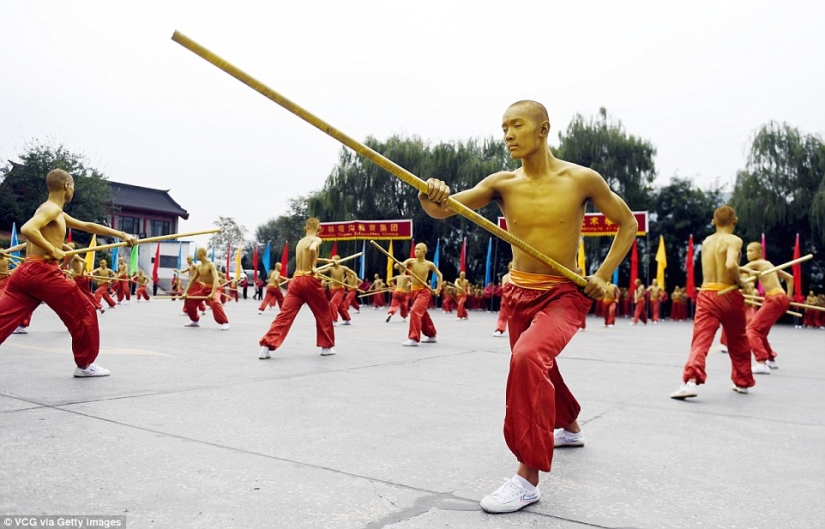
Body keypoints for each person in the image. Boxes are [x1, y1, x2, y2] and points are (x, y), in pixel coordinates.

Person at [418, 100, 636, 513]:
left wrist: (603, 276)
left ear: (543, 129)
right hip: (518, 293)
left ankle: (527, 477)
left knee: (528, 357)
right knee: (538, 365)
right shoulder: (503, 183)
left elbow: (627, 224)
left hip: (564, 293)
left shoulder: (580, 179)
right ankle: (569, 423)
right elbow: (442, 209)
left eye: (517, 125)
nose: (508, 135)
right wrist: (432, 194)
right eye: (504, 128)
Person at [0, 168, 136, 376]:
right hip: (43, 272)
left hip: (25, 272)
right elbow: (28, 229)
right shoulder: (51, 209)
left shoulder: (55, 211)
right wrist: (53, 249)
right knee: (84, 312)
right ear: (66, 186)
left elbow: (88, 225)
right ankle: (85, 365)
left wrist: (121, 234)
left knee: (3, 316)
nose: (73, 190)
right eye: (73, 186)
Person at [670, 206, 755, 400]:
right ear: (735, 221)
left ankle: (690, 381)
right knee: (738, 339)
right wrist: (741, 282)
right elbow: (731, 265)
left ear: (713, 221)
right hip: (729, 294)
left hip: (708, 293)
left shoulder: (707, 241)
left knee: (701, 339)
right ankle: (742, 382)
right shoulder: (734, 240)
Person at [258, 218, 335, 358]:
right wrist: (312, 267)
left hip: (296, 280)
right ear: (319, 229)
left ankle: (266, 346)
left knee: (284, 316)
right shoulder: (316, 239)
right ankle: (326, 347)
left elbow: (308, 254)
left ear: (305, 228)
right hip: (310, 280)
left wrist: (327, 261)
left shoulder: (300, 242)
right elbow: (312, 249)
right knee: (323, 312)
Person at [740, 241, 793, 373]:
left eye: (751, 251)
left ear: (760, 253)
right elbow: (790, 278)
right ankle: (770, 359)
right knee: (761, 332)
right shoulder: (769, 265)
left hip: (773, 299)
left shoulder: (757, 263)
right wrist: (789, 298)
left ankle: (762, 362)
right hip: (781, 297)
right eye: (747, 251)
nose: (748, 254)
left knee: (751, 330)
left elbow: (739, 271)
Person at [398, 243, 442, 347]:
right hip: (414, 291)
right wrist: (400, 264)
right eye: (415, 249)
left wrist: (438, 289)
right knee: (422, 314)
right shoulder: (411, 261)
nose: (416, 251)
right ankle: (432, 335)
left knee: (415, 311)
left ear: (424, 251)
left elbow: (440, 275)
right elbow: (399, 266)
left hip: (424, 291)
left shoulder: (429, 264)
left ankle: (413, 338)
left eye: (419, 249)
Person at [181, 247, 230, 330]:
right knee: (189, 300)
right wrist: (186, 292)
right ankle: (195, 320)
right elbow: (193, 280)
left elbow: (216, 278)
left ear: (201, 254)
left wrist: (213, 293)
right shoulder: (199, 266)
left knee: (215, 303)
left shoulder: (211, 265)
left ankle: (225, 322)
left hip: (216, 288)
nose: (196, 256)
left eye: (197, 254)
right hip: (205, 289)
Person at [318, 255, 356, 326]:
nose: (332, 261)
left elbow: (354, 273)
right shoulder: (331, 268)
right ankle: (347, 319)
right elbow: (322, 271)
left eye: (333, 260)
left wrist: (355, 284)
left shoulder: (343, 268)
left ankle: (334, 320)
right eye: (331, 260)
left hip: (340, 290)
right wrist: (316, 272)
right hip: (333, 290)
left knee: (333, 303)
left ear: (338, 261)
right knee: (340, 306)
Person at [492, 261, 513, 337]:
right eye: (511, 267)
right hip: (507, 297)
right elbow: (504, 288)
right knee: (503, 315)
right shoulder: (505, 277)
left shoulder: (518, 276)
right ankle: (499, 329)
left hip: (513, 297)